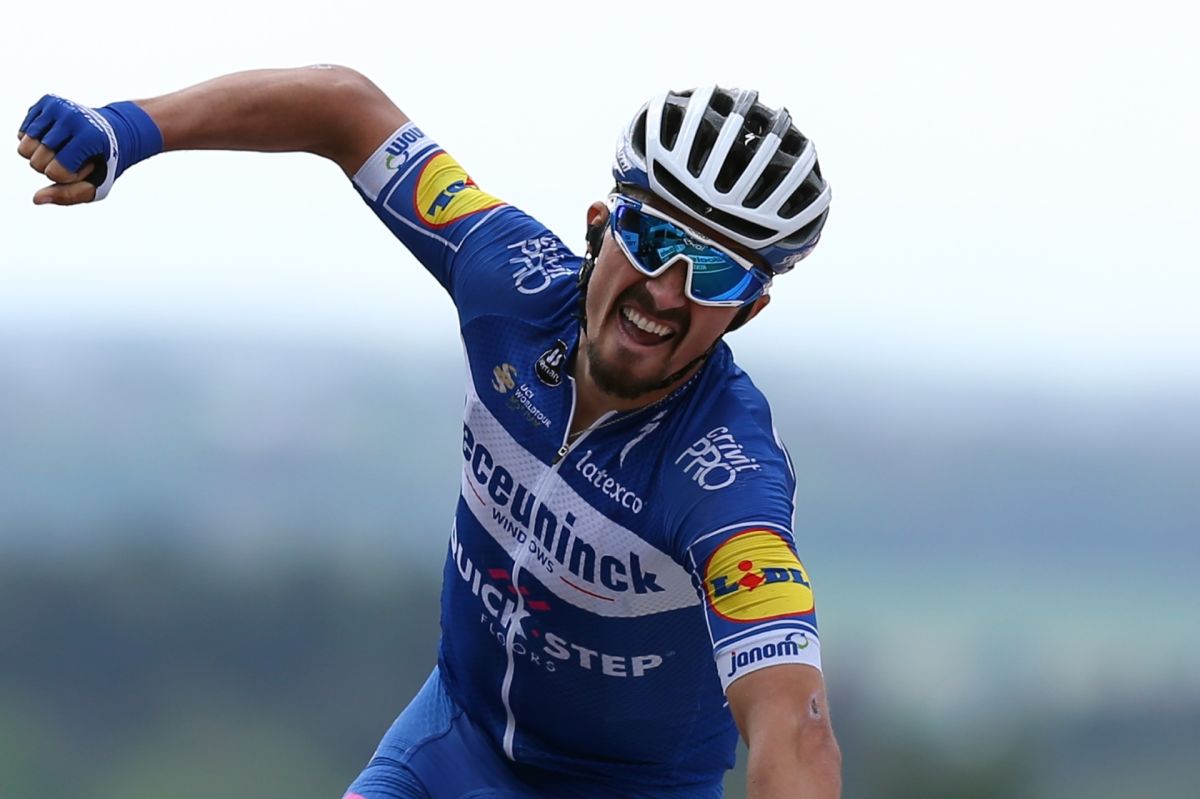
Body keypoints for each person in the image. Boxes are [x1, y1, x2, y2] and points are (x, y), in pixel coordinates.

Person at [16, 66, 841, 798]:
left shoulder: (725, 479)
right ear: (600, 223)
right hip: (454, 741)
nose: (665, 290)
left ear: (749, 309)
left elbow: (793, 729)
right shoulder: (510, 281)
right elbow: (344, 108)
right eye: (652, 238)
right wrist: (129, 128)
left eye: (715, 273)